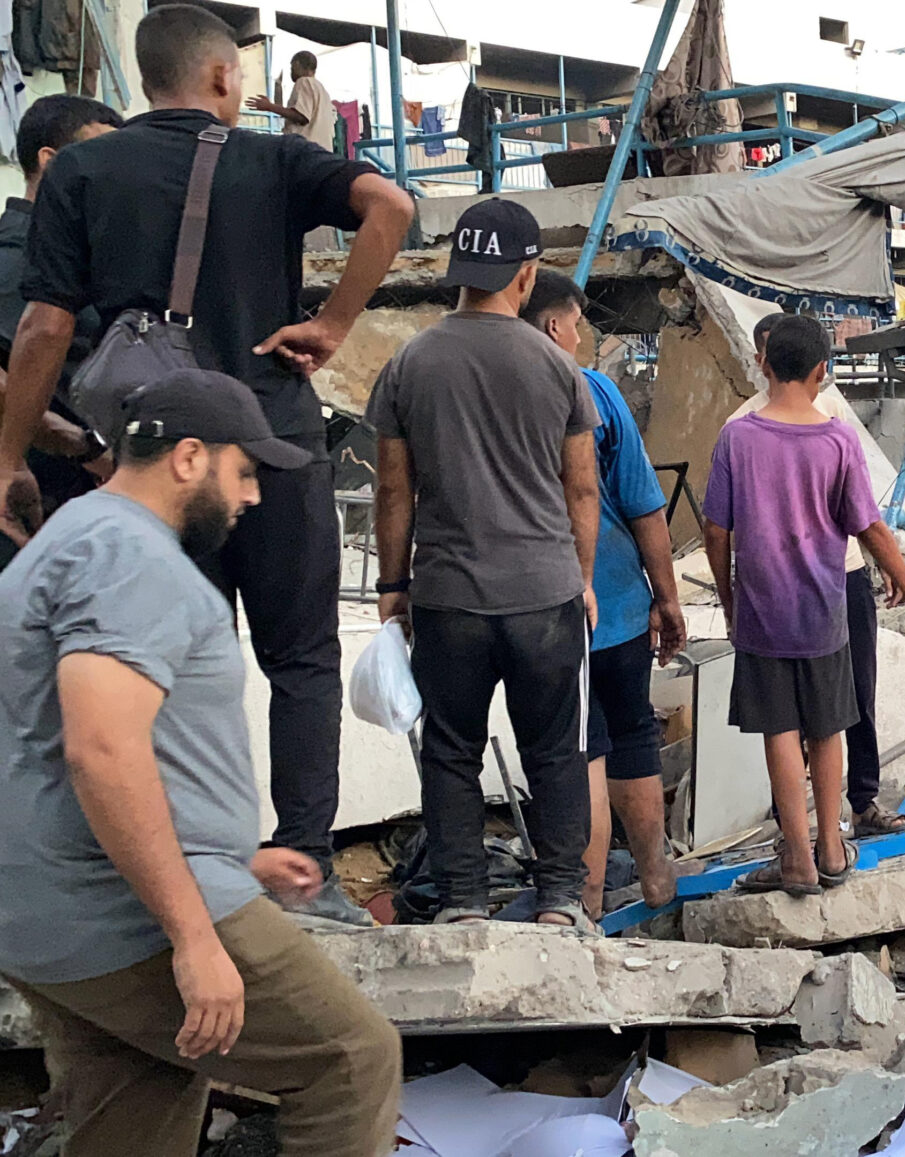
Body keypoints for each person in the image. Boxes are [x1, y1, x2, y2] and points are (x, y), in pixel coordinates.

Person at [0, 4, 415, 925]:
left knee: (165, 665)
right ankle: (306, 868)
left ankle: (181, 868)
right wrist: (336, 324)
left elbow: (45, 326)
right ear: (225, 77)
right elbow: (392, 206)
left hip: (153, 465)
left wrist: (6, 456)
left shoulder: (84, 169)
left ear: (148, 78)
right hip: (271, 449)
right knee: (299, 659)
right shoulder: (272, 159)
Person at [0, 369, 400, 1155]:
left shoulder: (71, 540)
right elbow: (102, 749)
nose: (252, 496)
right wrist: (193, 933)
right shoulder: (130, 556)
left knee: (135, 1111)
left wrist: (230, 853)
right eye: (244, 470)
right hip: (121, 915)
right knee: (349, 1059)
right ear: (189, 457)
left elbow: (54, 745)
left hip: (46, 911)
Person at [368, 200, 602, 931]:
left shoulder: (409, 363)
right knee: (554, 750)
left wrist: (393, 584)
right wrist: (583, 578)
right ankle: (561, 898)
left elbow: (392, 487)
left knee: (451, 750)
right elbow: (582, 487)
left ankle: (464, 899)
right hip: (543, 593)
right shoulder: (558, 368)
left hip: (449, 598)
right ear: (526, 276)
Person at [704, 316, 905, 895]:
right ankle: (833, 849)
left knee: (779, 730)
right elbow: (870, 526)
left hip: (763, 611)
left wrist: (730, 597)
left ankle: (797, 858)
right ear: (822, 371)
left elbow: (715, 529)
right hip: (823, 610)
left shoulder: (738, 437)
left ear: (764, 364)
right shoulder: (837, 439)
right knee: (828, 726)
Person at [521, 270, 683, 918]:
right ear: (554, 326)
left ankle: (582, 907)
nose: (583, 333)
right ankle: (656, 883)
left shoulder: (493, 396)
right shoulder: (597, 394)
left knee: (578, 750)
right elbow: (646, 507)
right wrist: (665, 597)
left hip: (541, 608)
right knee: (632, 734)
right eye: (577, 320)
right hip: (614, 603)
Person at [733, 313, 904, 837]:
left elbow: (860, 513)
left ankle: (859, 805)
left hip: (841, 577)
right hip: (785, 590)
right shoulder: (740, 427)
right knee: (803, 716)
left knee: (854, 693)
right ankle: (809, 834)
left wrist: (885, 564)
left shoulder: (828, 416)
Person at [0, 94, 123, 567]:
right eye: (100, 159)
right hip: (37, 506)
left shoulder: (86, 260)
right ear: (49, 163)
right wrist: (86, 448)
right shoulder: (18, 258)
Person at [244, 50, 334, 152]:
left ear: (297, 64)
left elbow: (302, 116)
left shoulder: (304, 81)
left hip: (305, 152)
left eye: (291, 68)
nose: (291, 72)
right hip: (321, 153)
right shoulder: (322, 91)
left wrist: (269, 107)